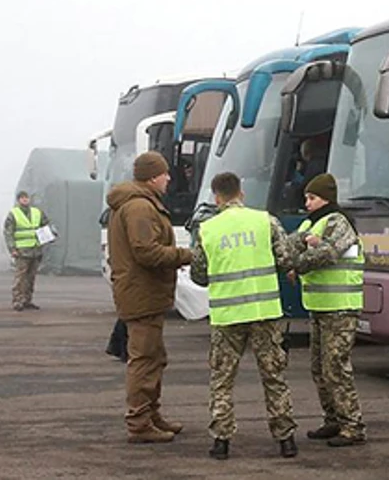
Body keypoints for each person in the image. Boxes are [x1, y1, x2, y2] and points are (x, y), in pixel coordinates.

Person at [191, 171, 298, 460]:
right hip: (264, 311)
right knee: (273, 375)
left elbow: (199, 275)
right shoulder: (266, 220)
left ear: (216, 197)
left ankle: (222, 441)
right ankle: (285, 439)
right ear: (242, 193)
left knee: (222, 379)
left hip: (227, 315)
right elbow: (286, 258)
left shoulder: (208, 228)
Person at [107, 151, 193, 444]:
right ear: (152, 176)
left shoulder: (138, 204)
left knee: (154, 357)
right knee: (144, 359)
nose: (169, 178)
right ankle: (140, 422)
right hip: (141, 294)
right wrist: (186, 255)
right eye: (165, 173)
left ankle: (151, 414)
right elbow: (146, 251)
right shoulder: (140, 207)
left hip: (144, 293)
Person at [287, 173, 366, 447]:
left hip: (341, 308)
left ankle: (352, 425)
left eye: (312, 197)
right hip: (320, 307)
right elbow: (288, 246)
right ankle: (332, 419)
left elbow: (327, 254)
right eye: (306, 197)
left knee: (336, 367)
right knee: (319, 368)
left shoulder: (338, 222)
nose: (307, 202)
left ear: (327, 198)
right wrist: (290, 258)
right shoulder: (312, 223)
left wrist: (297, 263)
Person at [3, 190, 50, 311]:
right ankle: (17, 300)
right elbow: (8, 233)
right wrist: (12, 248)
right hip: (21, 251)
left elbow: (45, 225)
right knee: (20, 277)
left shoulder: (37, 212)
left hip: (35, 250)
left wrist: (49, 236)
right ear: (19, 200)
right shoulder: (13, 214)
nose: (25, 200)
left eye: (26, 198)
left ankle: (27, 300)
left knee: (31, 277)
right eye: (22, 198)